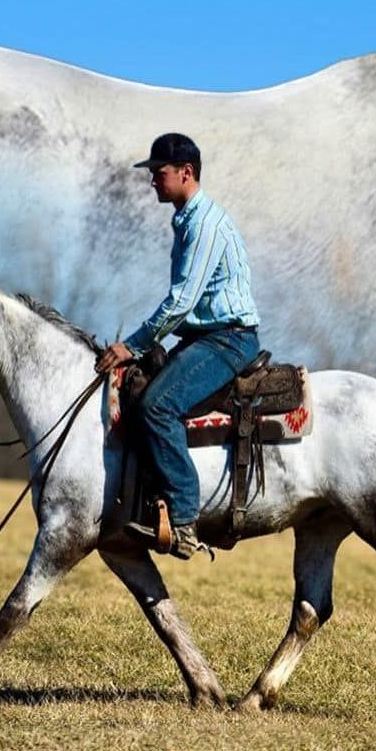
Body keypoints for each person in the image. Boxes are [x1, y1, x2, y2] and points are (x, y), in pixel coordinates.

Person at [96, 133, 260, 559]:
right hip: (204, 336)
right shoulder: (187, 219)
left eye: (159, 172)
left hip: (228, 339)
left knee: (158, 406)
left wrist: (133, 344)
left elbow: (182, 301)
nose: (152, 180)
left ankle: (185, 520)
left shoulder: (205, 224)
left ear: (186, 173)